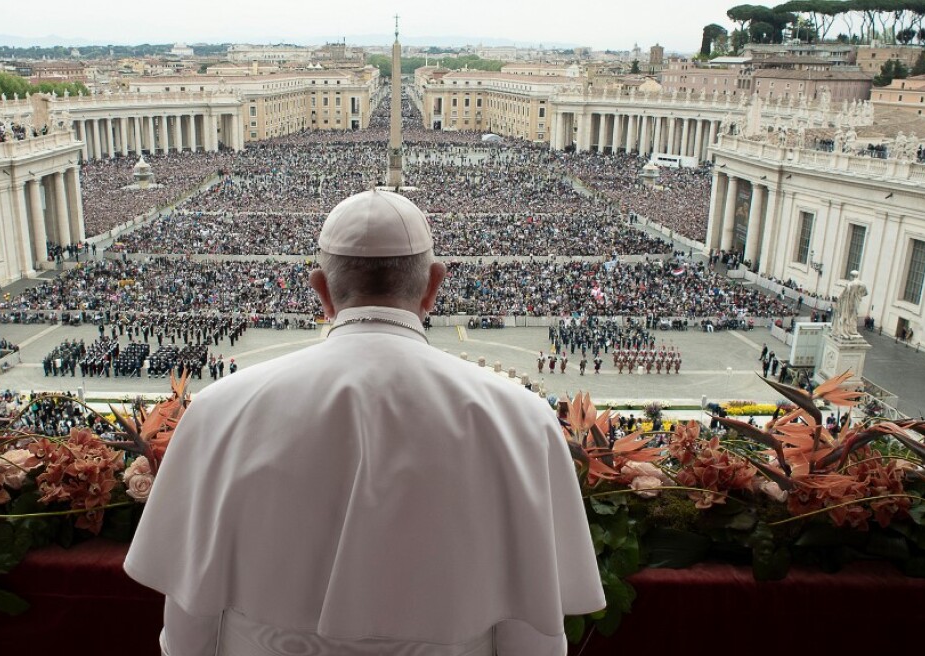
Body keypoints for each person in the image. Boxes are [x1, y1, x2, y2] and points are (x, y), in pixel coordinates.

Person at [125, 189, 605, 655]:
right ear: (434, 284)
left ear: (321, 290)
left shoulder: (219, 410)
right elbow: (532, 626)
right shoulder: (522, 419)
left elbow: (190, 617)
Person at [832, 271, 868, 338]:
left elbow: (843, 295)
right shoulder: (862, 284)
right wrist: (858, 295)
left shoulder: (850, 284)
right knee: (854, 316)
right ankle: (852, 330)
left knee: (846, 316)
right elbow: (866, 293)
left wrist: (838, 302)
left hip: (848, 303)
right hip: (856, 302)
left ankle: (846, 330)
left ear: (851, 276)